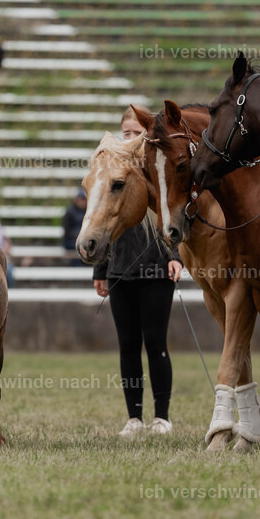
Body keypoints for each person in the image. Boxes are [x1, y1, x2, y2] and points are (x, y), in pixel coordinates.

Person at [93, 107, 184, 437]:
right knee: (127, 345)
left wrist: (176, 257)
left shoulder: (152, 172)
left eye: (135, 132)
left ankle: (162, 416)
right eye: (125, 132)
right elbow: (103, 221)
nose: (130, 138)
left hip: (157, 268)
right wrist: (101, 270)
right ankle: (134, 417)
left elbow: (168, 215)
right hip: (119, 270)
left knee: (156, 342)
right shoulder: (112, 173)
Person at [62, 188, 88, 265]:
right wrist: (80, 236)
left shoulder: (88, 211)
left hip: (84, 240)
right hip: (72, 241)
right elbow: (67, 232)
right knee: (78, 248)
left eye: (84, 199)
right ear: (76, 199)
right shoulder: (69, 212)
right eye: (80, 198)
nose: (82, 201)